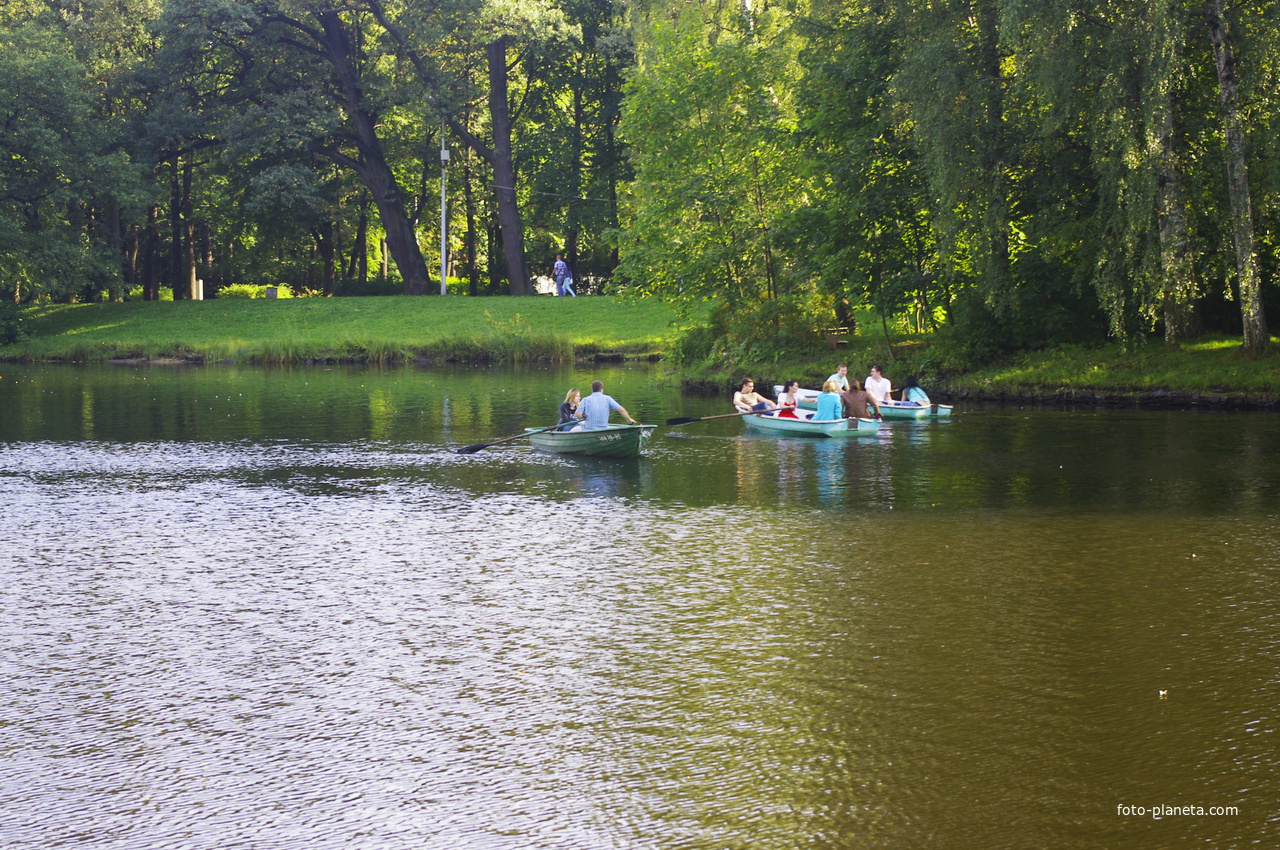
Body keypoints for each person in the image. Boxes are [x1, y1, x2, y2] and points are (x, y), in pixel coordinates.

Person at [572, 380, 637, 431]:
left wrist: (583, 416)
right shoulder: (608, 398)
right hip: (603, 429)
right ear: (601, 390)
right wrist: (629, 419)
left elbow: (577, 414)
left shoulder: (586, 399)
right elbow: (621, 410)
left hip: (588, 429)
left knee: (572, 431)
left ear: (592, 390)